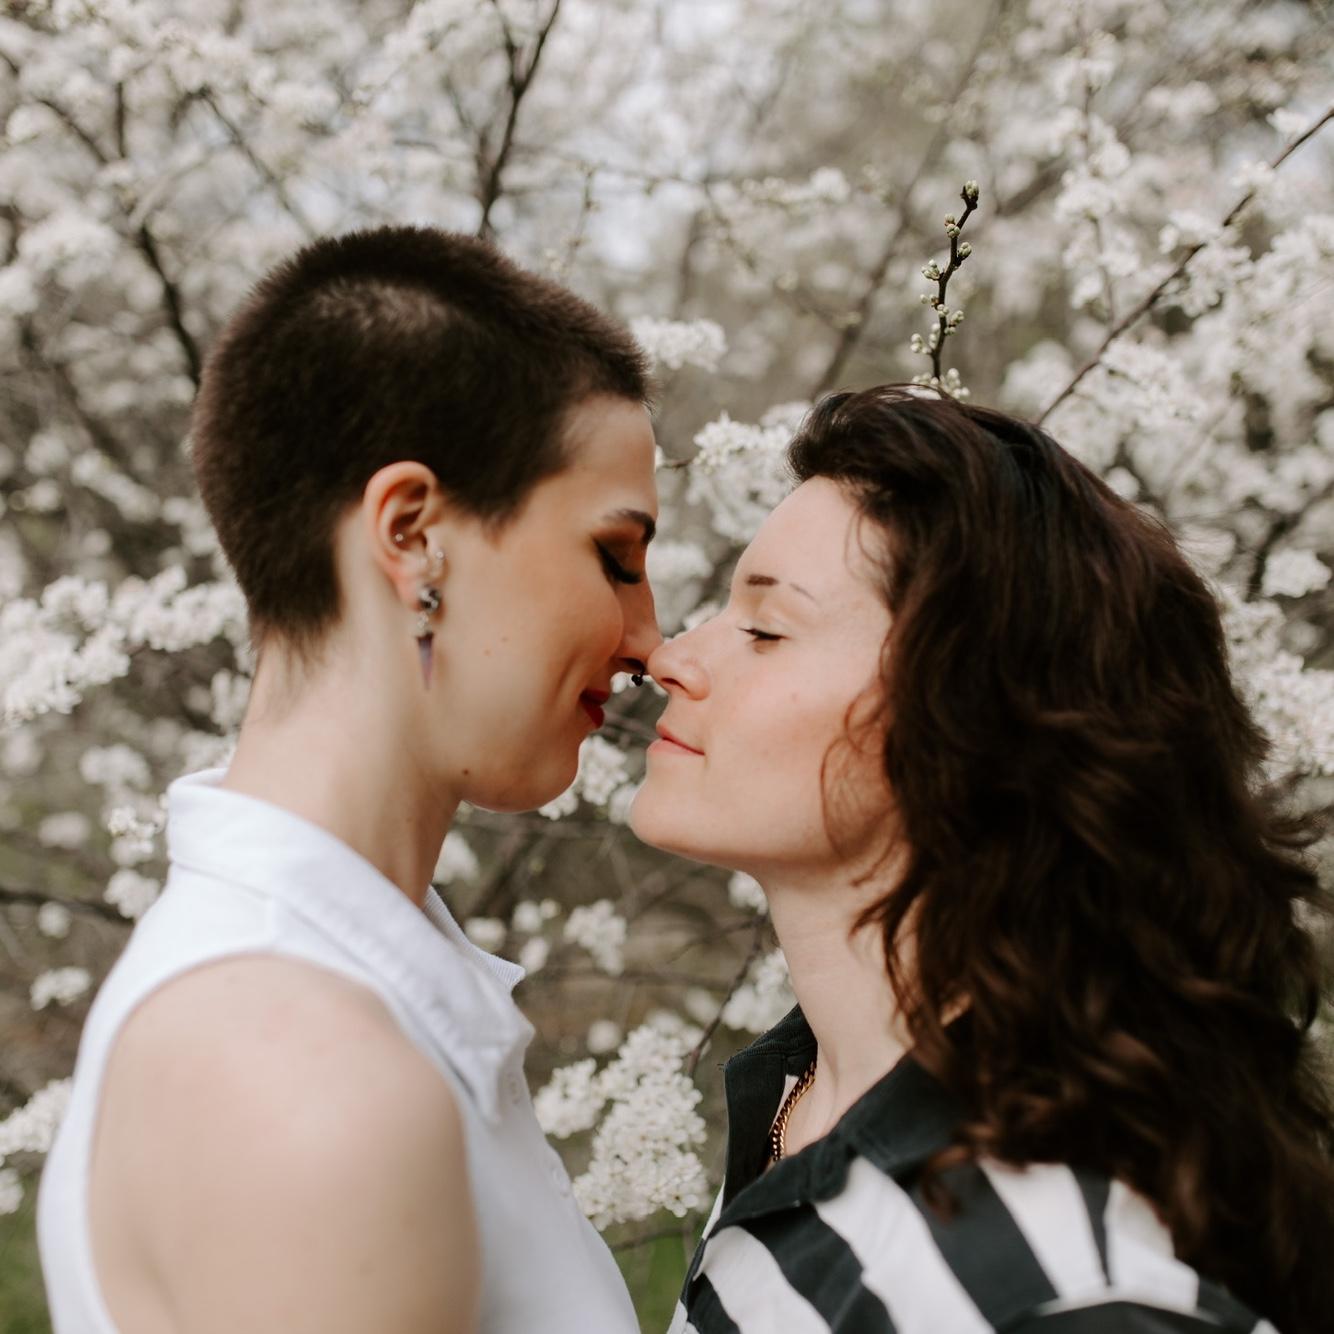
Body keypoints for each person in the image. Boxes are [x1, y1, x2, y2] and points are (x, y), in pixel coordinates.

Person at [38, 225, 662, 1334]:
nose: (647, 637)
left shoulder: (341, 996)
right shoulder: (304, 1083)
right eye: (614, 557)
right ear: (412, 534)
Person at [630, 386, 1334, 1334]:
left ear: (969, 726)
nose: (673, 657)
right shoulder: (801, 1107)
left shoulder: (1065, 1298)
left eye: (766, 629)